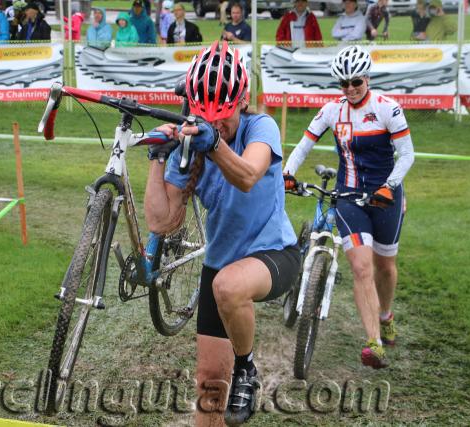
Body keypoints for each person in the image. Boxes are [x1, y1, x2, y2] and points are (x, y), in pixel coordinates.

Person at [144, 40, 300, 426]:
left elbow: (247, 176)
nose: (217, 125)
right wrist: (158, 157)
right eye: (208, 118)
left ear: (243, 101)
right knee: (210, 383)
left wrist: (214, 144)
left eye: (224, 117)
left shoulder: (259, 127)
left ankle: (247, 367)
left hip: (274, 254)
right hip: (221, 264)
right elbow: (162, 222)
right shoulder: (191, 145)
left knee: (229, 286)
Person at [283, 45, 414, 369]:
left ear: (367, 77)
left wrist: (390, 187)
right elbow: (303, 145)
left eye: (356, 81)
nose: (351, 88)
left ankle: (386, 314)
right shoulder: (332, 111)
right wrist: (287, 173)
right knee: (361, 267)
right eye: (344, 84)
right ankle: (374, 343)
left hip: (386, 198)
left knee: (385, 266)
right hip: (349, 197)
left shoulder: (388, 108)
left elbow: (407, 155)